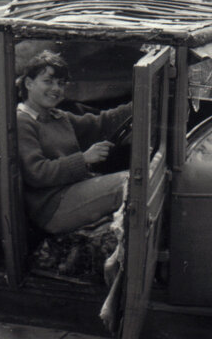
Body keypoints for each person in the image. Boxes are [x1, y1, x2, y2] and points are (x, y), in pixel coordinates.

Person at [16, 50, 131, 235]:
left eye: (60, 84)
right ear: (28, 83)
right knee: (131, 184)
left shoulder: (57, 116)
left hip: (72, 190)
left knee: (140, 179)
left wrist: (142, 101)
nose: (56, 89)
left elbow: (101, 124)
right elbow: (37, 173)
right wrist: (84, 159)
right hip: (51, 207)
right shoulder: (22, 121)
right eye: (48, 81)